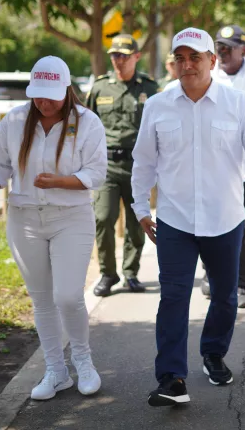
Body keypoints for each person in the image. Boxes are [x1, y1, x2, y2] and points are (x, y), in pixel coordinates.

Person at [131, 28, 245, 407]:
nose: (187, 65)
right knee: (173, 297)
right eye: (180, 58)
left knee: (225, 296)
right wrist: (141, 209)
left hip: (225, 219)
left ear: (212, 60)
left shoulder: (238, 103)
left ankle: (213, 352)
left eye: (195, 57)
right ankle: (172, 378)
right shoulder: (157, 105)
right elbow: (143, 162)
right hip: (174, 220)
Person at [0, 56, 107, 400]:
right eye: (38, 95)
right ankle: (56, 371)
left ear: (66, 89)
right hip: (25, 220)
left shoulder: (87, 122)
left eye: (51, 96)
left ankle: (83, 362)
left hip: (71, 217)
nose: (44, 102)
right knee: (42, 299)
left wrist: (60, 182)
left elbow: (96, 173)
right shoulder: (14, 120)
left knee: (68, 296)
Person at [197, 24, 245, 308]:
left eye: (229, 48)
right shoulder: (207, 76)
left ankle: (240, 284)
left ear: (244, 50)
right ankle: (210, 273)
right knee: (210, 223)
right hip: (215, 169)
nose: (223, 52)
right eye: (219, 47)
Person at [86, 34, 159, 297]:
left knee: (137, 221)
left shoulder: (149, 89)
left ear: (136, 57)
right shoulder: (100, 88)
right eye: (115, 56)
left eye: (124, 56)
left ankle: (131, 273)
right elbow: (87, 124)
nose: (119, 61)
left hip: (138, 166)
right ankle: (108, 273)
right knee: (103, 217)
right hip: (106, 165)